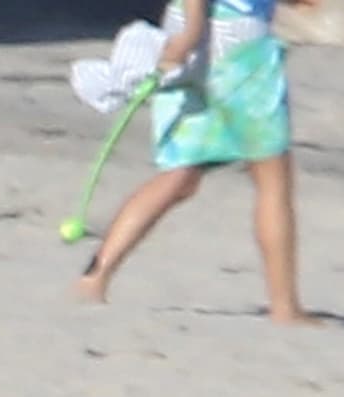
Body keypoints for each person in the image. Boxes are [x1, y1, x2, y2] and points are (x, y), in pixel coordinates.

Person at [77, 0, 319, 322]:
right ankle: (285, 307)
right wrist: (192, 29)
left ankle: (94, 278)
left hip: (191, 33)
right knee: (271, 176)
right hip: (234, 43)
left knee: (181, 173)